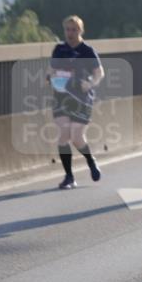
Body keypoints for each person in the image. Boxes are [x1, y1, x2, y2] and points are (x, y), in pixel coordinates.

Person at [47, 15, 104, 190]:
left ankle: (90, 161)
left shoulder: (87, 50)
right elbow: (51, 70)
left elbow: (99, 72)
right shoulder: (59, 49)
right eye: (67, 29)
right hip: (61, 97)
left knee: (77, 137)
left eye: (74, 30)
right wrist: (50, 77)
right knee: (64, 135)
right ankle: (69, 177)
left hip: (82, 98)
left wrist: (90, 83)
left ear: (80, 31)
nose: (70, 33)